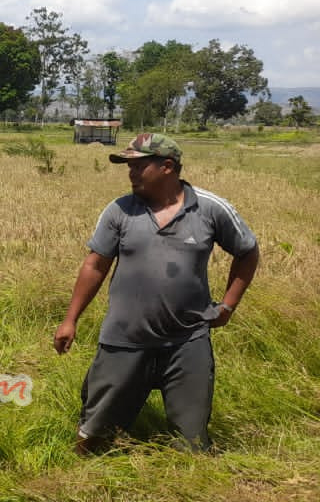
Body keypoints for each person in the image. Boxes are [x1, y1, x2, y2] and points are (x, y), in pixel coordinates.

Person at [54, 133, 259, 454]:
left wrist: (228, 307)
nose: (131, 173)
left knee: (192, 446)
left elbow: (248, 251)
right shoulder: (120, 210)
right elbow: (95, 265)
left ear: (167, 166)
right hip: (124, 340)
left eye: (138, 166)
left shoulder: (209, 208)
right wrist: (70, 320)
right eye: (129, 167)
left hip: (187, 341)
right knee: (94, 439)